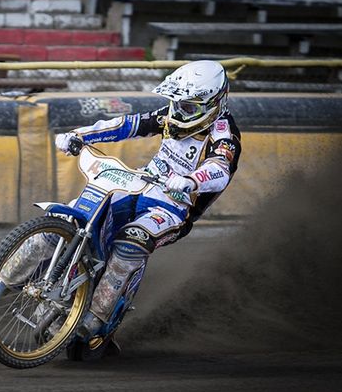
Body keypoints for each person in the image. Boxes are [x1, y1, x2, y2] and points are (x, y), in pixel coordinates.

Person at [55, 60, 242, 349]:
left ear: (211, 103)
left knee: (130, 243)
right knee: (76, 214)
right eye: (175, 103)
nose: (178, 112)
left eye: (187, 107)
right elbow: (129, 125)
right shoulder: (171, 114)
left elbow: (220, 168)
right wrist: (79, 135)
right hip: (142, 184)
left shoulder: (224, 133)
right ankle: (18, 277)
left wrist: (191, 180)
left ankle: (94, 319)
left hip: (174, 206)